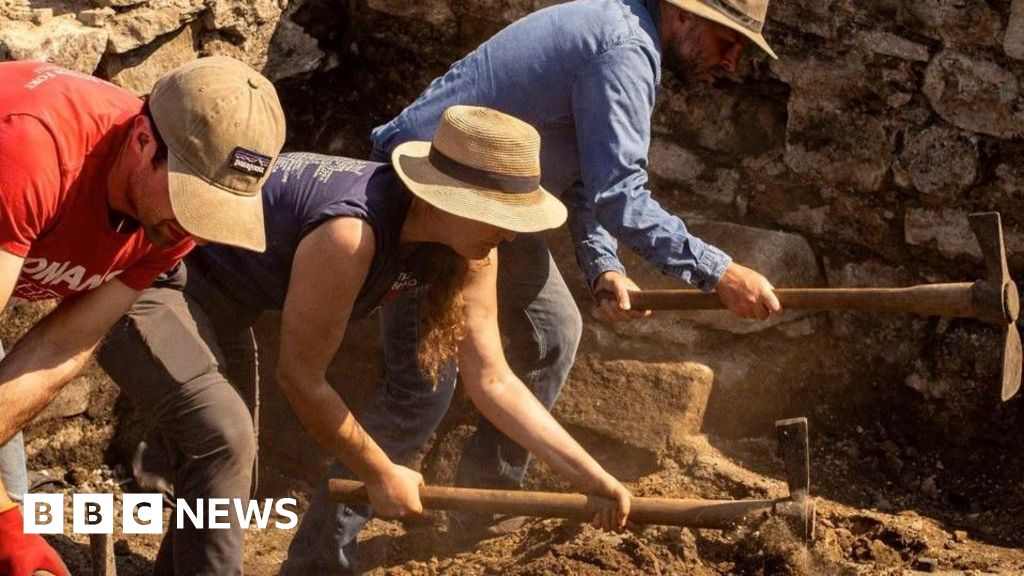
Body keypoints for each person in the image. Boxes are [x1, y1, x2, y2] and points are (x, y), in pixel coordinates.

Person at [97, 106, 630, 575]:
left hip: (229, 305)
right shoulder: (350, 233)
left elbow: (492, 379)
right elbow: (301, 379)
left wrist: (594, 477)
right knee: (225, 446)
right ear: (450, 200)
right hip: (156, 279)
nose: (512, 234)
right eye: (503, 216)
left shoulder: (469, 250)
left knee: (225, 476)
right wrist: (379, 471)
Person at [368, 0, 783, 528]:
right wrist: (720, 272)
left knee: (553, 331)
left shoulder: (624, 37)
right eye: (729, 43)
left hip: (488, 206)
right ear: (684, 15)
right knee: (422, 389)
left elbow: (591, 178)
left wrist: (603, 266)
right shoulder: (624, 49)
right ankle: (320, 559)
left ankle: (485, 512)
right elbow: (622, 199)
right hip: (430, 198)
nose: (732, 63)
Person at [0, 57, 286, 576]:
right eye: (190, 200)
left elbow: (63, 343)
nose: (190, 230)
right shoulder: (32, 152)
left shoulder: (170, 222)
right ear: (141, 142)